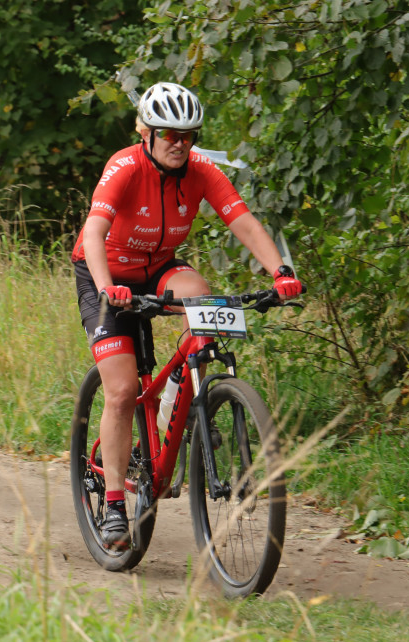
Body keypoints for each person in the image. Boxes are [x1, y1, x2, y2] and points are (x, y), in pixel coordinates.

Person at [70, 82, 303, 550]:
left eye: (189, 135)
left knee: (201, 295)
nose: (180, 144)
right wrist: (105, 288)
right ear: (146, 133)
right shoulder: (124, 166)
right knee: (121, 390)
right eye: (169, 134)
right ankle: (115, 505)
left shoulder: (200, 169)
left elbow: (242, 221)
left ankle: (190, 401)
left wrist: (281, 272)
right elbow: (93, 233)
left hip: (158, 269)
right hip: (106, 274)